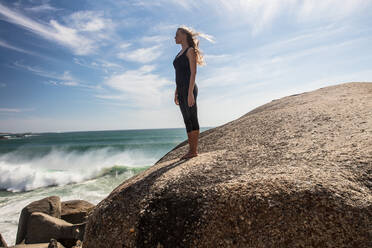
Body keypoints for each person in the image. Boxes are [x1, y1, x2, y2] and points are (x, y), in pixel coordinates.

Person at [172, 25, 213, 160]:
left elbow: (193, 73)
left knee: (192, 116)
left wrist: (190, 93)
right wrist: (176, 91)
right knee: (186, 119)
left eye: (177, 34)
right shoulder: (178, 54)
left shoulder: (190, 51)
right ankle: (191, 150)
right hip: (181, 89)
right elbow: (178, 74)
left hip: (190, 88)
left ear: (184, 35)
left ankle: (193, 150)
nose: (175, 37)